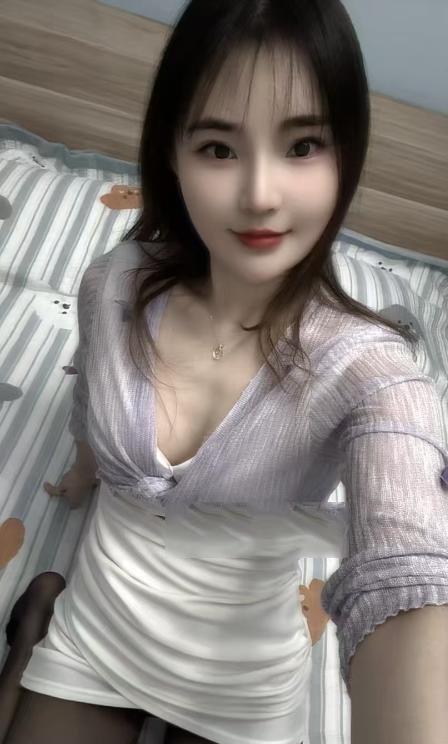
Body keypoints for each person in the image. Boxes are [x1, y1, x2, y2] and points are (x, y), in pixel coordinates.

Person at [3, 0, 448, 742]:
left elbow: (406, 562)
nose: (260, 195)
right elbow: (89, 403)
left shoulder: (374, 371)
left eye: (303, 145)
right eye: (218, 148)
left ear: (347, 154)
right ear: (171, 155)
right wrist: (83, 469)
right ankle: (34, 628)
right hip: (100, 627)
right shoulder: (113, 283)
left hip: (240, 676)